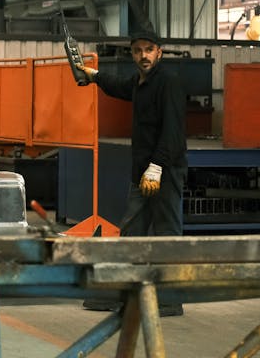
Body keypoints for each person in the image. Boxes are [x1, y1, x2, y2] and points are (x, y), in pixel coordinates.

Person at [75, 30, 187, 317]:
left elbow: (173, 130)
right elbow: (120, 86)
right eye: (137, 51)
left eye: (149, 50)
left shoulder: (168, 83)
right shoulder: (140, 82)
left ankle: (169, 298)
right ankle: (125, 291)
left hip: (165, 170)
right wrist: (94, 76)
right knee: (132, 229)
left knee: (166, 233)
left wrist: (157, 166)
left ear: (159, 52)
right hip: (142, 172)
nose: (143, 56)